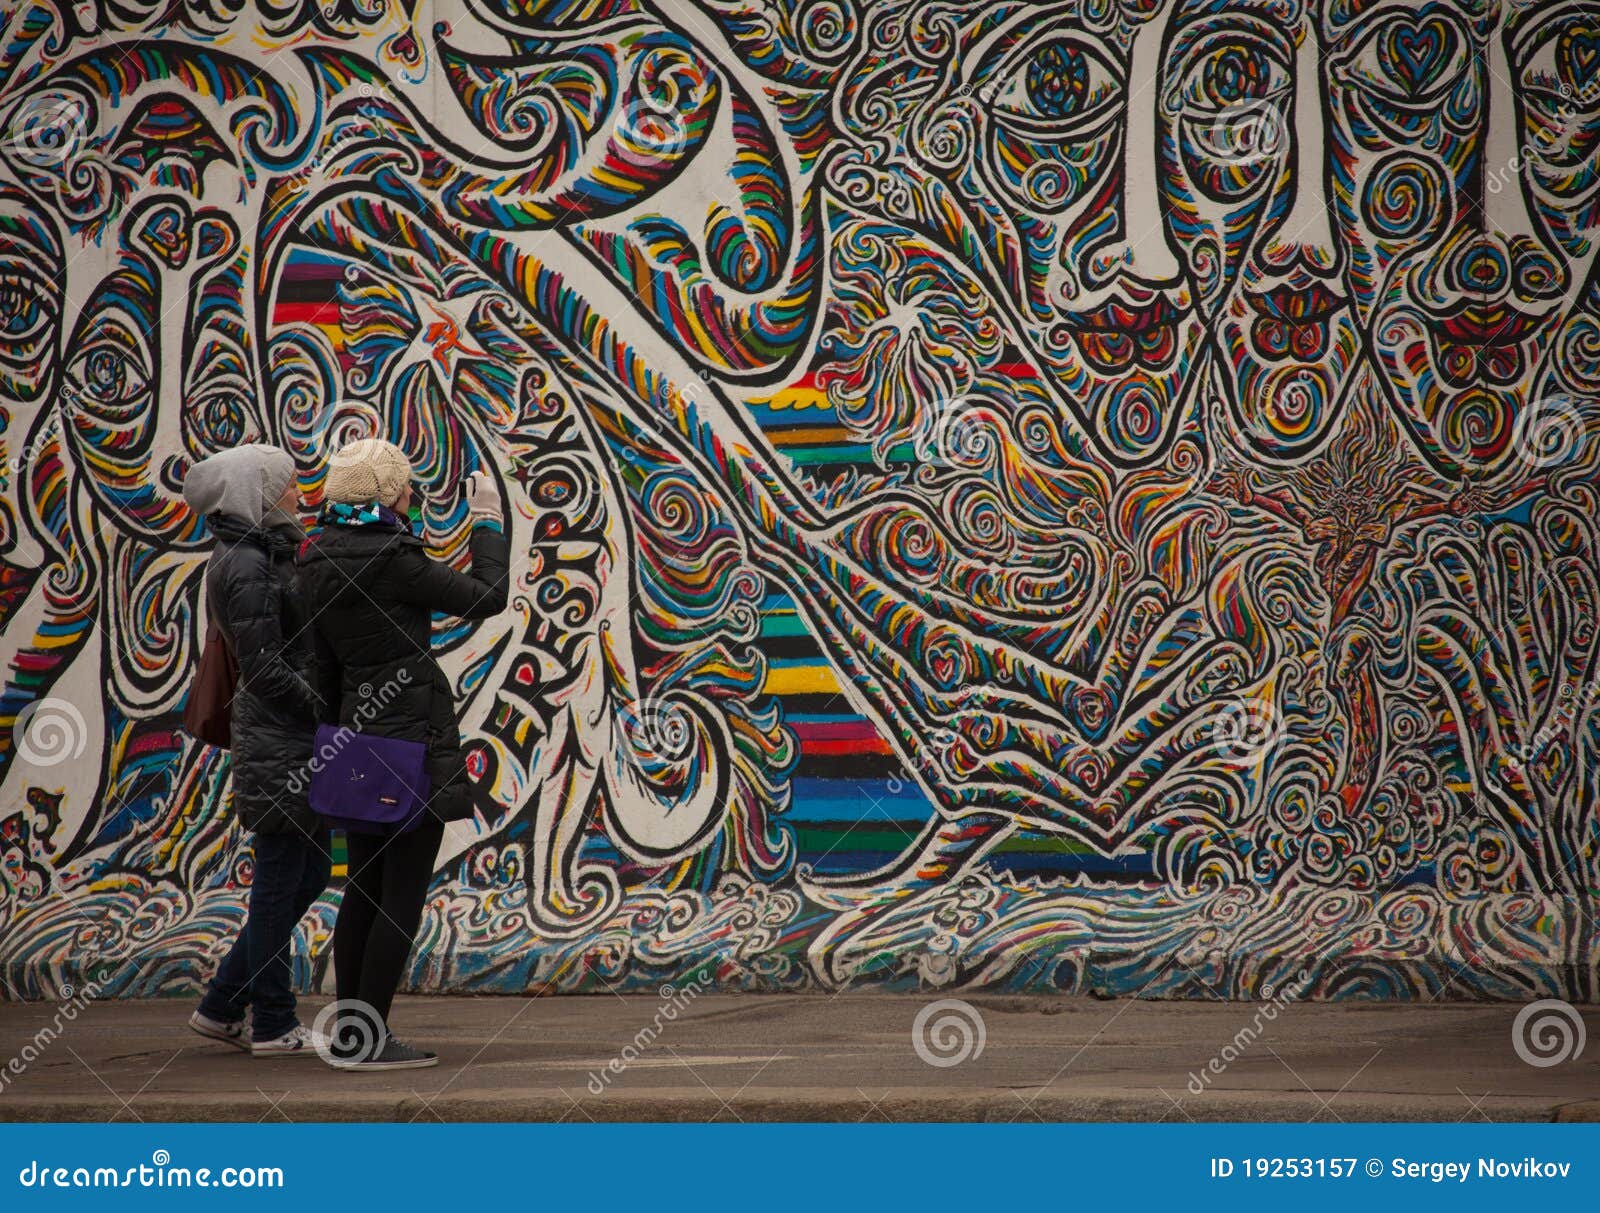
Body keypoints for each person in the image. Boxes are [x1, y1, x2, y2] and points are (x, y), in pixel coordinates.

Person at [297, 438, 507, 1071]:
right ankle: (369, 1038)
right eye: (405, 485)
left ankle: (350, 1033)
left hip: (358, 743)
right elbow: (487, 596)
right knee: (402, 896)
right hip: (410, 742)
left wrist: (339, 735)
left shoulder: (314, 559)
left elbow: (322, 667)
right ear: (387, 493)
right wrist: (488, 522)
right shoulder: (393, 559)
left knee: (362, 887)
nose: (412, 493)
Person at [183, 444, 330, 1057]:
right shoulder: (245, 563)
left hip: (288, 741)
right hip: (278, 741)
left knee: (310, 873)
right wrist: (327, 708)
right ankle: (272, 1022)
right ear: (261, 493)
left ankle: (222, 1003)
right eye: (289, 485)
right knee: (276, 885)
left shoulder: (262, 552)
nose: (299, 494)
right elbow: (265, 668)